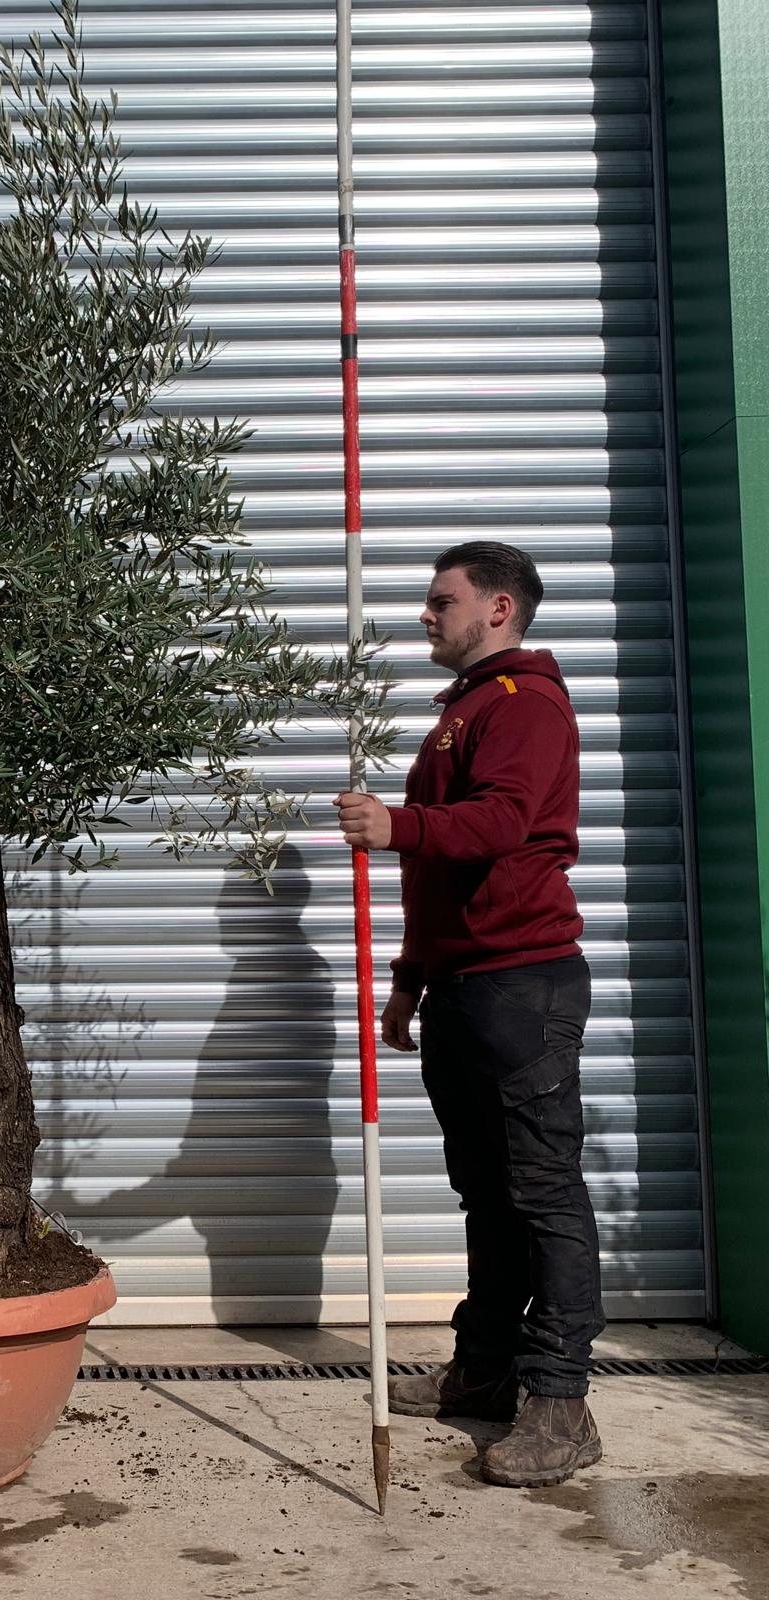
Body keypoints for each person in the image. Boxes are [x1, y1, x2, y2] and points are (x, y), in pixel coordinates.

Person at [333, 540, 603, 1489]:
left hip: (524, 985)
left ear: (498, 609)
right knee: (487, 1195)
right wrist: (411, 980)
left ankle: (560, 1403)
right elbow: (439, 881)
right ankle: (485, 1372)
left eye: (440, 600)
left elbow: (503, 824)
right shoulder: (466, 713)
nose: (422, 614)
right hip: (464, 986)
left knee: (542, 1192)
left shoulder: (525, 708)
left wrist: (395, 824)